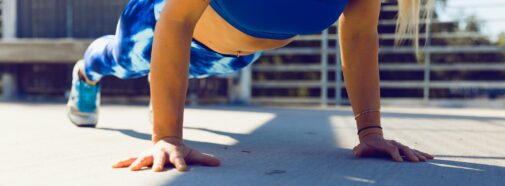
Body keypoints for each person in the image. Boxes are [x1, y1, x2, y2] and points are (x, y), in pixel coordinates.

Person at [66, 0, 435, 172]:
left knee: (181, 72)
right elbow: (177, 22)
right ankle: (85, 75)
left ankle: (162, 89)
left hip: (233, 57)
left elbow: (358, 35)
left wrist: (370, 131)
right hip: (160, 23)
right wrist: (168, 137)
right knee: (118, 60)